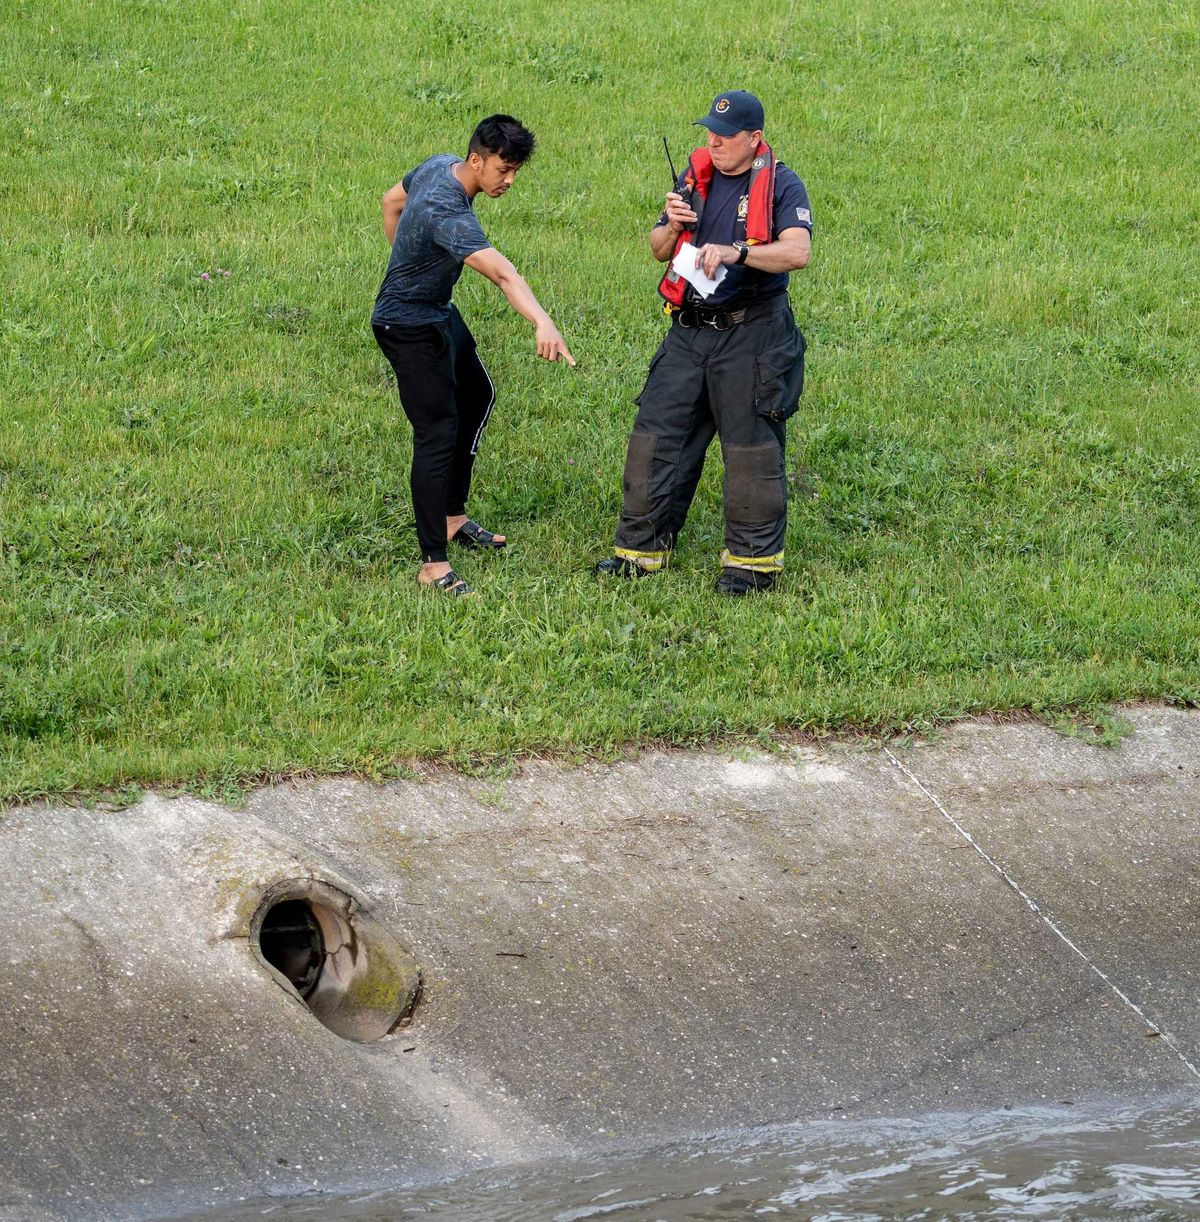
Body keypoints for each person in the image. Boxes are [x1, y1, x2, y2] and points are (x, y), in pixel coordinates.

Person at [596, 91, 811, 595]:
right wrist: (672, 225)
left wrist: (736, 253)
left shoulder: (782, 183)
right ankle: (641, 551)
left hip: (751, 332)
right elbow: (656, 250)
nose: (713, 142)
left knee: (750, 449)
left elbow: (796, 253)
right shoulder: (693, 178)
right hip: (689, 330)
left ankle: (751, 568)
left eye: (726, 135)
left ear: (753, 138)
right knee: (655, 434)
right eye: (709, 133)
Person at [372, 114, 575, 596]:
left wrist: (405, 258)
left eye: (515, 172)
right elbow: (504, 275)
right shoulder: (450, 212)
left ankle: (452, 516)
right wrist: (542, 321)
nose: (509, 181)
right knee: (437, 431)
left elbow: (390, 200)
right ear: (476, 160)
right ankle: (432, 564)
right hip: (406, 325)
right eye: (503, 170)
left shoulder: (440, 165)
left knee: (477, 394)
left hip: (436, 310)